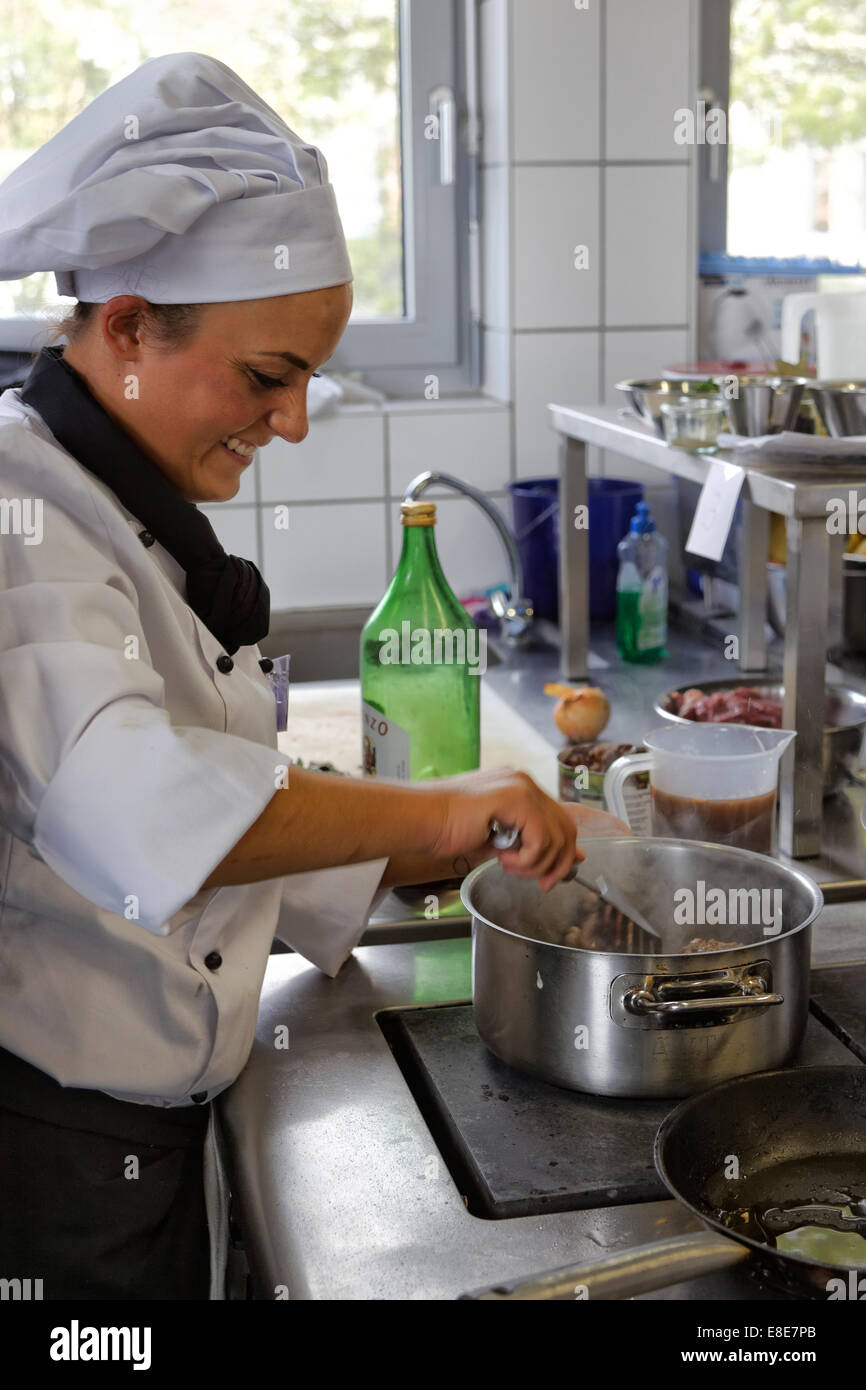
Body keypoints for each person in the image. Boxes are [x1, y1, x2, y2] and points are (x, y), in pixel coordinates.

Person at [0, 52, 625, 1300]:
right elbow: (140, 807)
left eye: (305, 381)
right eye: (267, 375)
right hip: (58, 1156)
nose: (289, 423)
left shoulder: (120, 506)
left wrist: (452, 839)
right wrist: (453, 806)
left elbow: (226, 807)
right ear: (125, 328)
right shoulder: (20, 515)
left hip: (149, 1124)